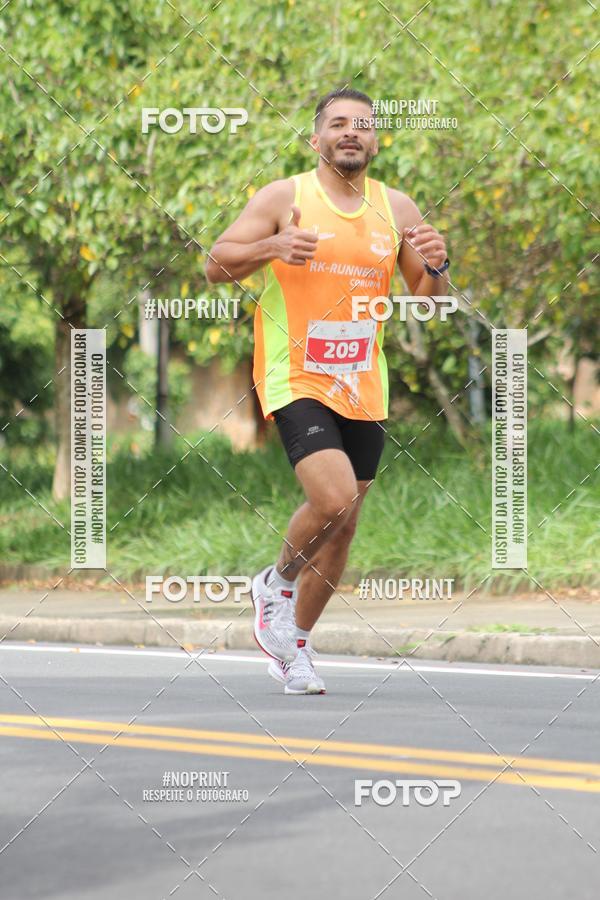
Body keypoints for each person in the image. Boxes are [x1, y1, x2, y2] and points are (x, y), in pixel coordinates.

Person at [206, 87, 449, 694]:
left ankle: (294, 649)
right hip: (297, 373)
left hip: (363, 381)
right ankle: (276, 583)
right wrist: (272, 247)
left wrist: (441, 267)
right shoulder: (285, 197)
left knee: (343, 527)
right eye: (338, 124)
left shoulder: (396, 207)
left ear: (374, 140)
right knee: (334, 498)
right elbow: (215, 262)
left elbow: (428, 299)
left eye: (362, 126)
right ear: (315, 139)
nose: (351, 133)